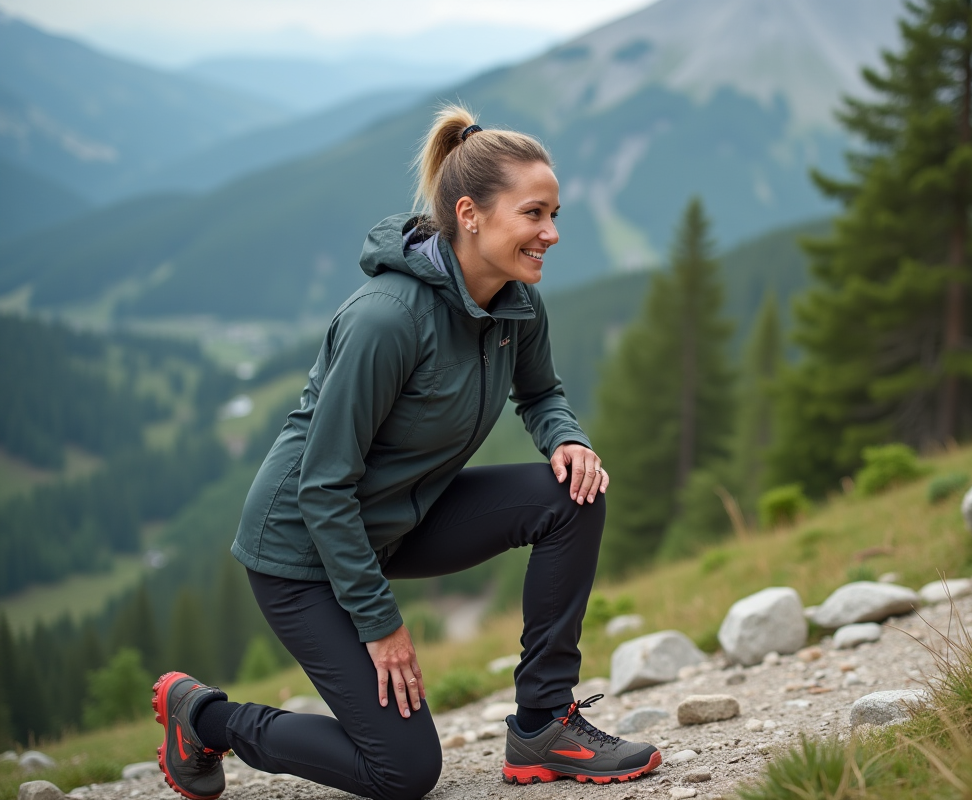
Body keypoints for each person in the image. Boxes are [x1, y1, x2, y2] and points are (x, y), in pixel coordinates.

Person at [150, 105, 662, 800]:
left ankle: (545, 725)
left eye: (555, 213)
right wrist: (380, 623)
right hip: (303, 552)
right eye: (535, 214)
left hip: (399, 521)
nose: (552, 233)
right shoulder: (387, 320)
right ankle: (205, 717)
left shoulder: (516, 303)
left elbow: (541, 394)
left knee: (573, 496)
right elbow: (322, 487)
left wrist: (567, 438)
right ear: (470, 214)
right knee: (404, 770)